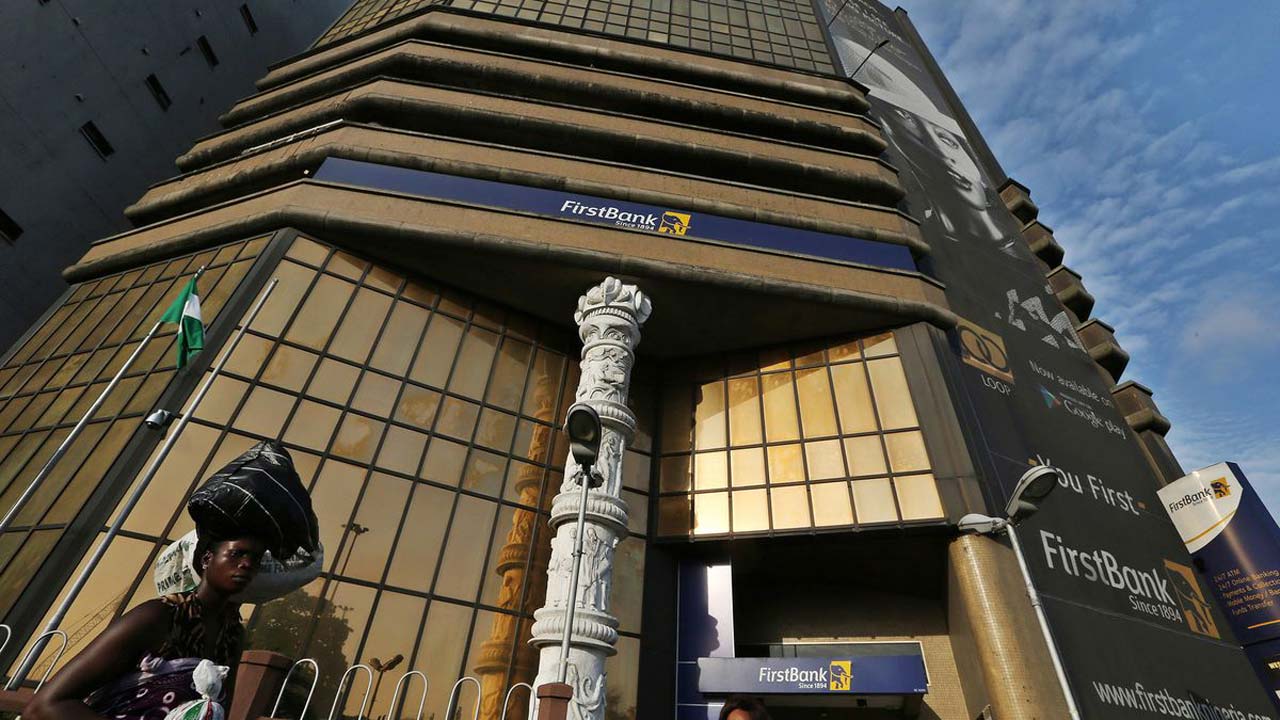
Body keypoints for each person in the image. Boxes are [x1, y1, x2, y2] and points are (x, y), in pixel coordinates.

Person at [24, 533, 267, 720]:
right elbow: (44, 706)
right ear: (206, 559)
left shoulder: (232, 636)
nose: (246, 564)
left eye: (255, 559)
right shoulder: (159, 616)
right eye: (237, 554)